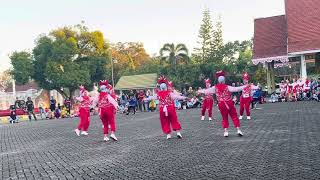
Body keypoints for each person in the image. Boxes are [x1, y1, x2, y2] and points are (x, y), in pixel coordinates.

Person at [198, 71, 245, 137]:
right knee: (234, 116)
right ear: (224, 81)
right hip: (229, 103)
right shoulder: (227, 87)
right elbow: (236, 89)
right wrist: (245, 86)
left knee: (224, 117)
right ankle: (238, 129)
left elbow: (206, 91)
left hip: (221, 104)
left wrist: (200, 91)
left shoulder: (215, 88)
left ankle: (226, 131)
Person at [149, 75, 187, 139]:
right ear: (166, 87)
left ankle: (168, 134)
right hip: (170, 108)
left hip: (162, 110)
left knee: (164, 121)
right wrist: (185, 97)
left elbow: (151, 98)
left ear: (160, 88)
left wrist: (144, 99)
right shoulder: (170, 93)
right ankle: (178, 132)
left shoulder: (158, 94)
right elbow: (177, 97)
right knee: (174, 120)